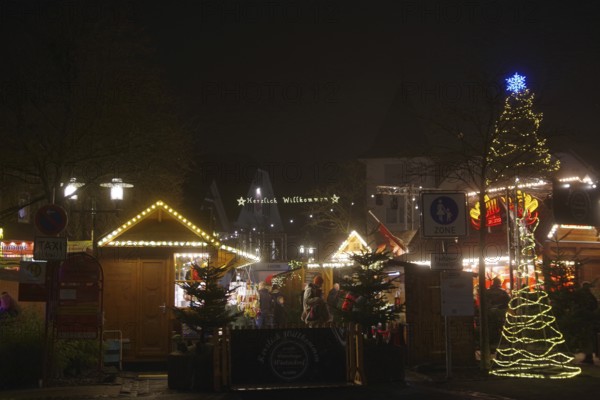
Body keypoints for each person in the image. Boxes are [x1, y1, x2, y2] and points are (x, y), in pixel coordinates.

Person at [486, 277, 510, 351]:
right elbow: (508, 301)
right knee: (501, 326)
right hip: (500, 312)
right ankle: (502, 340)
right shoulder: (503, 292)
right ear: (499, 283)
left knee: (490, 327)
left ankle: (491, 340)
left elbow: (484, 301)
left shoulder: (488, 291)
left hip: (489, 311)